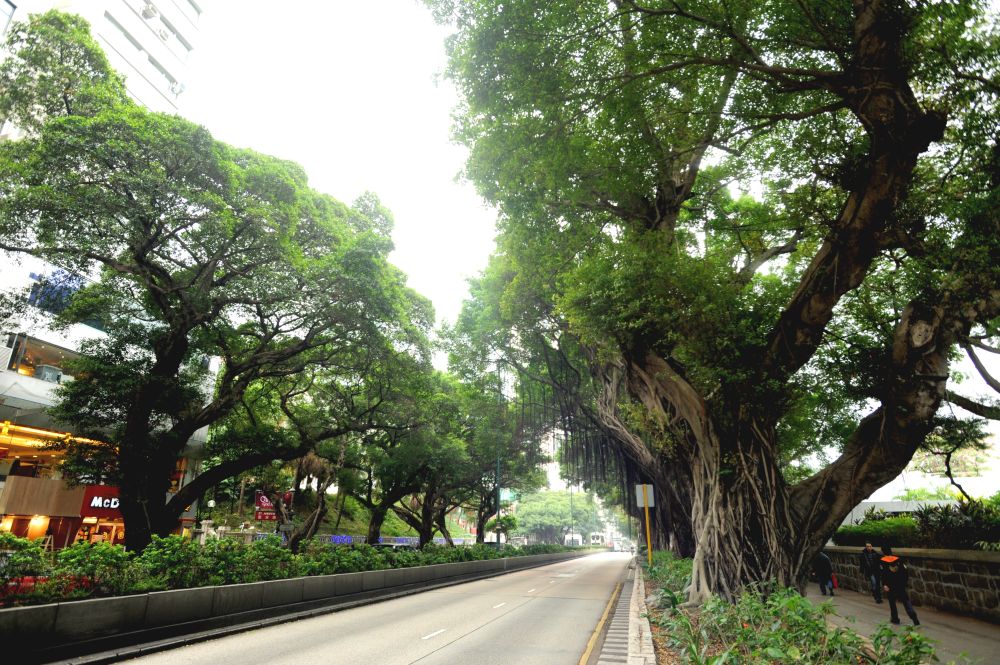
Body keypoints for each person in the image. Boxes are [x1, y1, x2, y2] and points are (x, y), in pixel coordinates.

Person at [881, 546, 920, 626]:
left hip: (891, 586)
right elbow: (905, 573)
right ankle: (913, 616)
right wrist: (904, 583)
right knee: (906, 601)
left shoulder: (883, 562)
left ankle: (895, 618)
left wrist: (885, 584)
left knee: (892, 603)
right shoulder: (899, 560)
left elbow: (883, 574)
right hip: (900, 585)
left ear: (883, 552)